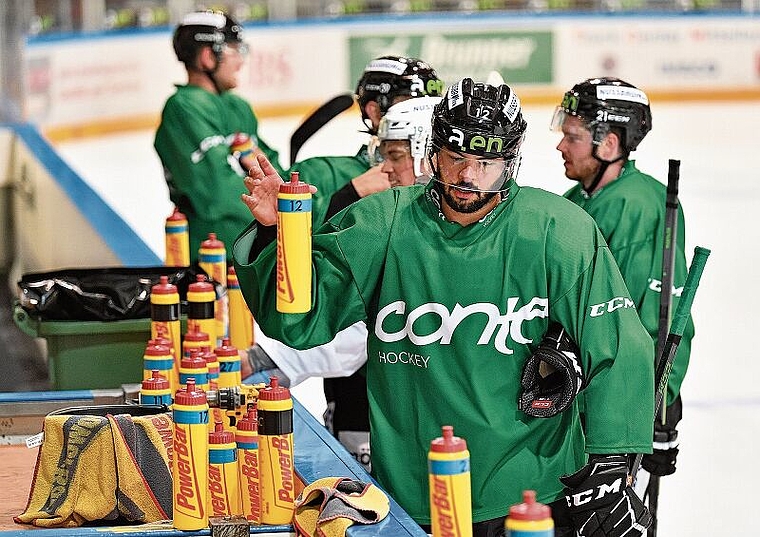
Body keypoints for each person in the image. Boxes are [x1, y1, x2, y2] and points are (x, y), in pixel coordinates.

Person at [234, 77, 655, 536]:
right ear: (433, 153)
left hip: (532, 493)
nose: (468, 177)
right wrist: (280, 235)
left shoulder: (559, 229)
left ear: (510, 162)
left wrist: (612, 468)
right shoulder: (382, 223)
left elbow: (617, 346)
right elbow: (298, 321)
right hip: (413, 494)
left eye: (485, 162)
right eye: (455, 158)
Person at [244, 57, 443, 468]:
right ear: (374, 109)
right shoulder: (324, 172)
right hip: (363, 400)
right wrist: (346, 198)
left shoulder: (446, 211)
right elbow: (318, 283)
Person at [551, 77, 695, 512]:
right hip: (570, 400)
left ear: (609, 144)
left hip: (609, 412)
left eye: (572, 137)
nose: (561, 146)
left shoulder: (637, 204)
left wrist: (658, 403)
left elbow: (643, 317)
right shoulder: (578, 198)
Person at [154, 10, 284, 262]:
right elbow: (214, 191)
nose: (241, 60)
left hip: (259, 251)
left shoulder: (238, 107)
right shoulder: (182, 108)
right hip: (212, 257)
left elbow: (274, 169)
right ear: (207, 56)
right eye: (235, 50)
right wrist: (280, 210)